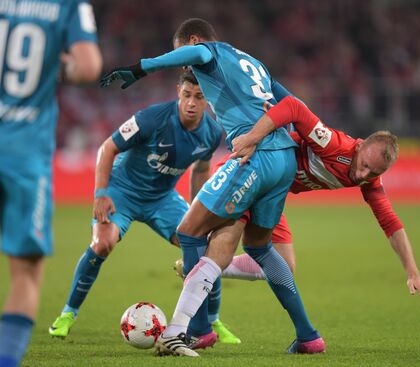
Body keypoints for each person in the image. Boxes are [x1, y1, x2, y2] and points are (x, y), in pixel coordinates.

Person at [100, 18, 323, 356]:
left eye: (183, 54)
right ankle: (309, 336)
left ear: (192, 41)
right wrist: (312, 138)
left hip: (254, 157)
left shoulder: (210, 52)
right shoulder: (253, 64)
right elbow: (292, 103)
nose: (185, 63)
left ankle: (198, 330)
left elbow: (190, 56)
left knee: (189, 232)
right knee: (261, 249)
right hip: (283, 159)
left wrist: (141, 68)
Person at [0, 1, 102, 366]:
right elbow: (88, 67)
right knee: (26, 270)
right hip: (26, 151)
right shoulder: (68, 4)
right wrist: (53, 63)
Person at [48, 71, 241, 346]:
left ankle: (212, 322)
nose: (191, 103)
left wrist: (201, 213)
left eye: (199, 97)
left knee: (206, 248)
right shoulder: (151, 118)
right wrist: (101, 193)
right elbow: (106, 149)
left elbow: (201, 168)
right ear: (178, 92)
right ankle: (68, 313)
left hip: (162, 199)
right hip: (121, 192)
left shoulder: (210, 133)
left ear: (207, 99)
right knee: (102, 244)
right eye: (187, 95)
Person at [227, 95, 420, 308]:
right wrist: (251, 138)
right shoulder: (333, 144)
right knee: (220, 240)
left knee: (283, 266)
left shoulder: (370, 181)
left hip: (272, 193)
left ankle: (215, 268)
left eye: (374, 172)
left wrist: (413, 273)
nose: (363, 175)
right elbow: (293, 107)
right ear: (359, 146)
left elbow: (391, 224)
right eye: (364, 165)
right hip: (253, 170)